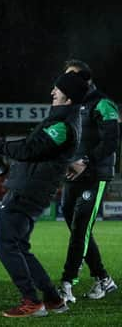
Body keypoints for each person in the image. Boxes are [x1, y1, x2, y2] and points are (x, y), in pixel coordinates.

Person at [0, 71, 89, 318]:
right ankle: (52, 299)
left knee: (4, 244)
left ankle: (31, 301)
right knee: (19, 246)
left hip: (27, 191)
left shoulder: (62, 125)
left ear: (68, 99)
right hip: (31, 189)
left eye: (57, 90)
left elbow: (29, 148)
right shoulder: (61, 120)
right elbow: (36, 148)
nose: (52, 92)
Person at [57, 60, 119, 303]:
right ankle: (103, 279)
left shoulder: (103, 104)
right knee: (77, 230)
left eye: (70, 77)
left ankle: (66, 284)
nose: (65, 82)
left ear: (86, 79)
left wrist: (86, 161)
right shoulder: (72, 105)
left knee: (80, 229)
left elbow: (112, 141)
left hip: (95, 175)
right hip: (73, 175)